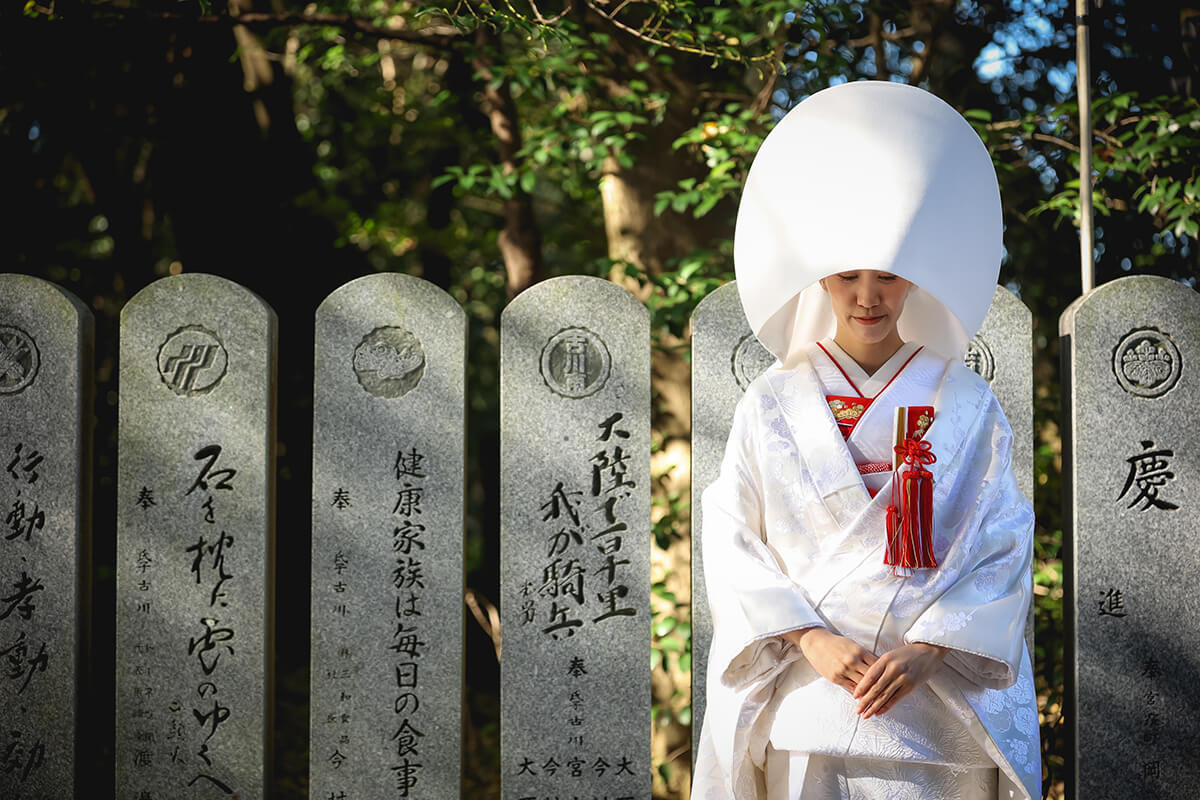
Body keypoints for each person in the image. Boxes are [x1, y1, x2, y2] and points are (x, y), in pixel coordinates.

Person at [691, 81, 1041, 800]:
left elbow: (1003, 541)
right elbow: (732, 536)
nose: (867, 298)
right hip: (809, 695)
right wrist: (808, 637)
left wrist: (930, 647)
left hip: (934, 705)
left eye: (887, 275)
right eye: (847, 275)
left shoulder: (967, 402)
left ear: (919, 275)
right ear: (818, 276)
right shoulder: (773, 401)